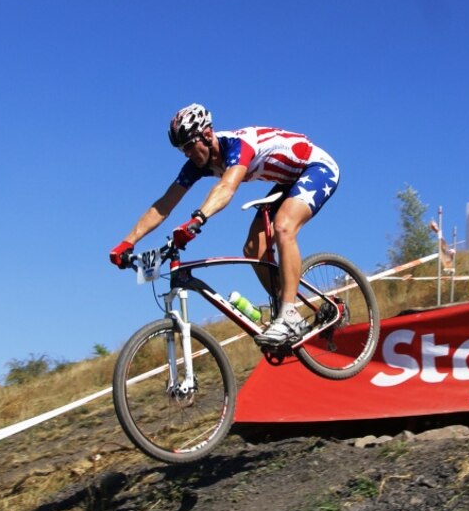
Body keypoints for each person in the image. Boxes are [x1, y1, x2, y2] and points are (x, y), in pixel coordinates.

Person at [109, 104, 341, 346]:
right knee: (253, 248)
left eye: (189, 146)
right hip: (289, 182)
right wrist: (128, 242)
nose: (187, 154)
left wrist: (197, 220)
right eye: (182, 150)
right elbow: (164, 204)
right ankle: (289, 312)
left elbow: (227, 188)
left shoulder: (238, 145)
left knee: (283, 226)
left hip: (317, 168)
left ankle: (289, 315)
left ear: (207, 135)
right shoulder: (198, 164)